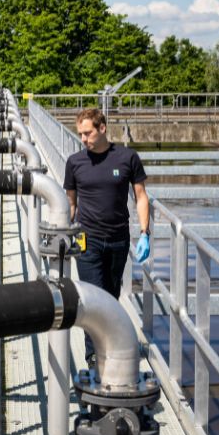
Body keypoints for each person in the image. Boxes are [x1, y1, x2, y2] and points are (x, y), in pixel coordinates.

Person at [63, 108, 150, 367]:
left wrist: (145, 233)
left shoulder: (127, 157)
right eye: (80, 133)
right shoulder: (75, 162)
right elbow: (70, 204)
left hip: (118, 239)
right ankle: (93, 356)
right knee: (92, 298)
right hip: (86, 239)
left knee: (111, 297)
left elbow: (141, 196)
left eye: (88, 133)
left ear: (102, 128)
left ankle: (110, 345)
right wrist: (67, 233)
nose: (83, 139)